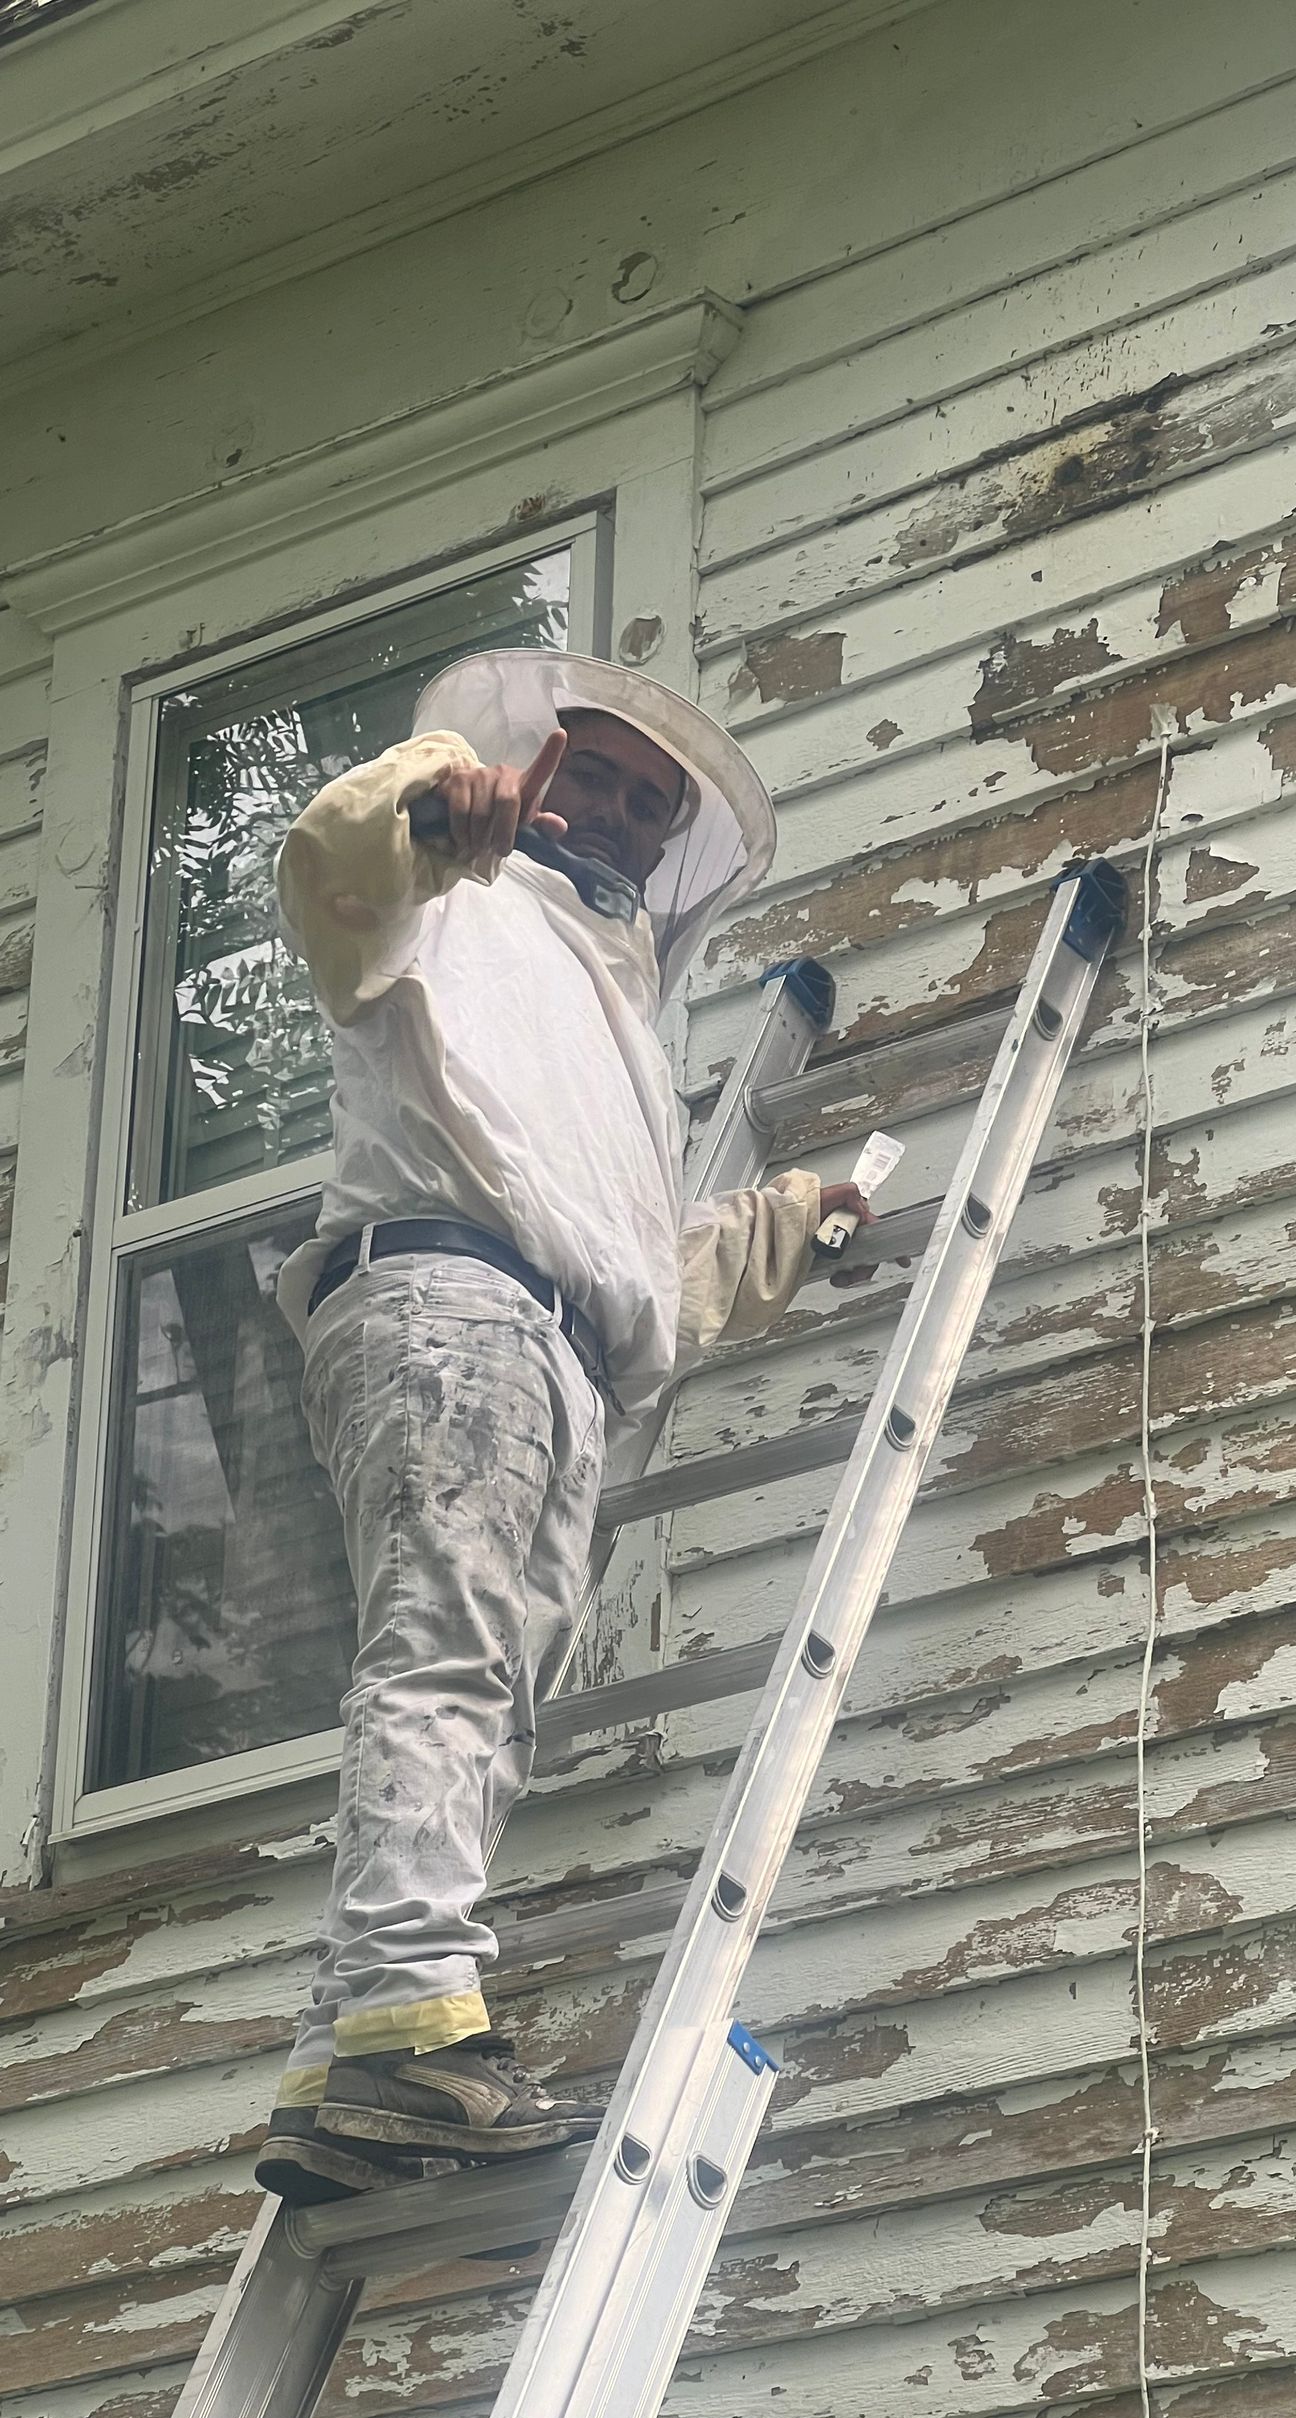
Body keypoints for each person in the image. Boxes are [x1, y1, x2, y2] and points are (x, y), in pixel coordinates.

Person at [253, 649, 868, 2206]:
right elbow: (329, 867)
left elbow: (640, 1266)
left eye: (648, 805)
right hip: (450, 1306)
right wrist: (424, 800)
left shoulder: (611, 1012)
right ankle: (406, 2032)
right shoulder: (448, 900)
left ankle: (354, 2066)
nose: (613, 810)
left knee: (485, 1696)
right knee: (447, 1657)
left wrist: (798, 1216)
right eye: (590, 771)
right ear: (530, 766)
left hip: (551, 1349)